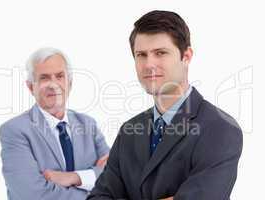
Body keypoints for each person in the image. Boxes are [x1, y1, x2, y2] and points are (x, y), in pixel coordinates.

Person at [87, 10, 243, 200]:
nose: (149, 64)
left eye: (160, 53)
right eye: (141, 55)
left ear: (186, 56)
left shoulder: (221, 129)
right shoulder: (129, 130)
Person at [0, 47, 109, 200]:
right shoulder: (15, 130)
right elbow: (31, 194)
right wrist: (94, 186)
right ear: (31, 87)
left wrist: (74, 177)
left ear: (69, 83)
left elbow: (115, 177)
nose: (53, 84)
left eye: (59, 76)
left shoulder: (88, 124)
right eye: (44, 78)